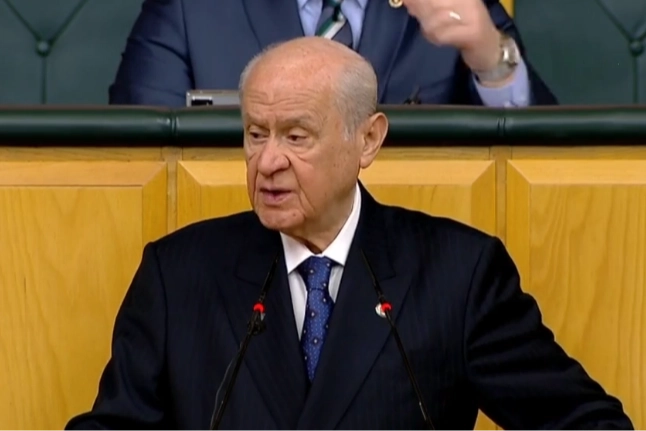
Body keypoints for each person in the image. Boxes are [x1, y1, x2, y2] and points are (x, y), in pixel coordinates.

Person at [68, 37, 630, 431]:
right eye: (256, 134)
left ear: (368, 140)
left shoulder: (458, 274)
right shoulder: (179, 274)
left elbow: (584, 421)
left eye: (296, 136)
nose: (268, 162)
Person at [109, 0, 558, 107]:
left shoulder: (456, 4)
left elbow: (539, 169)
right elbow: (139, 162)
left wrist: (490, 57)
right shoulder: (189, 8)